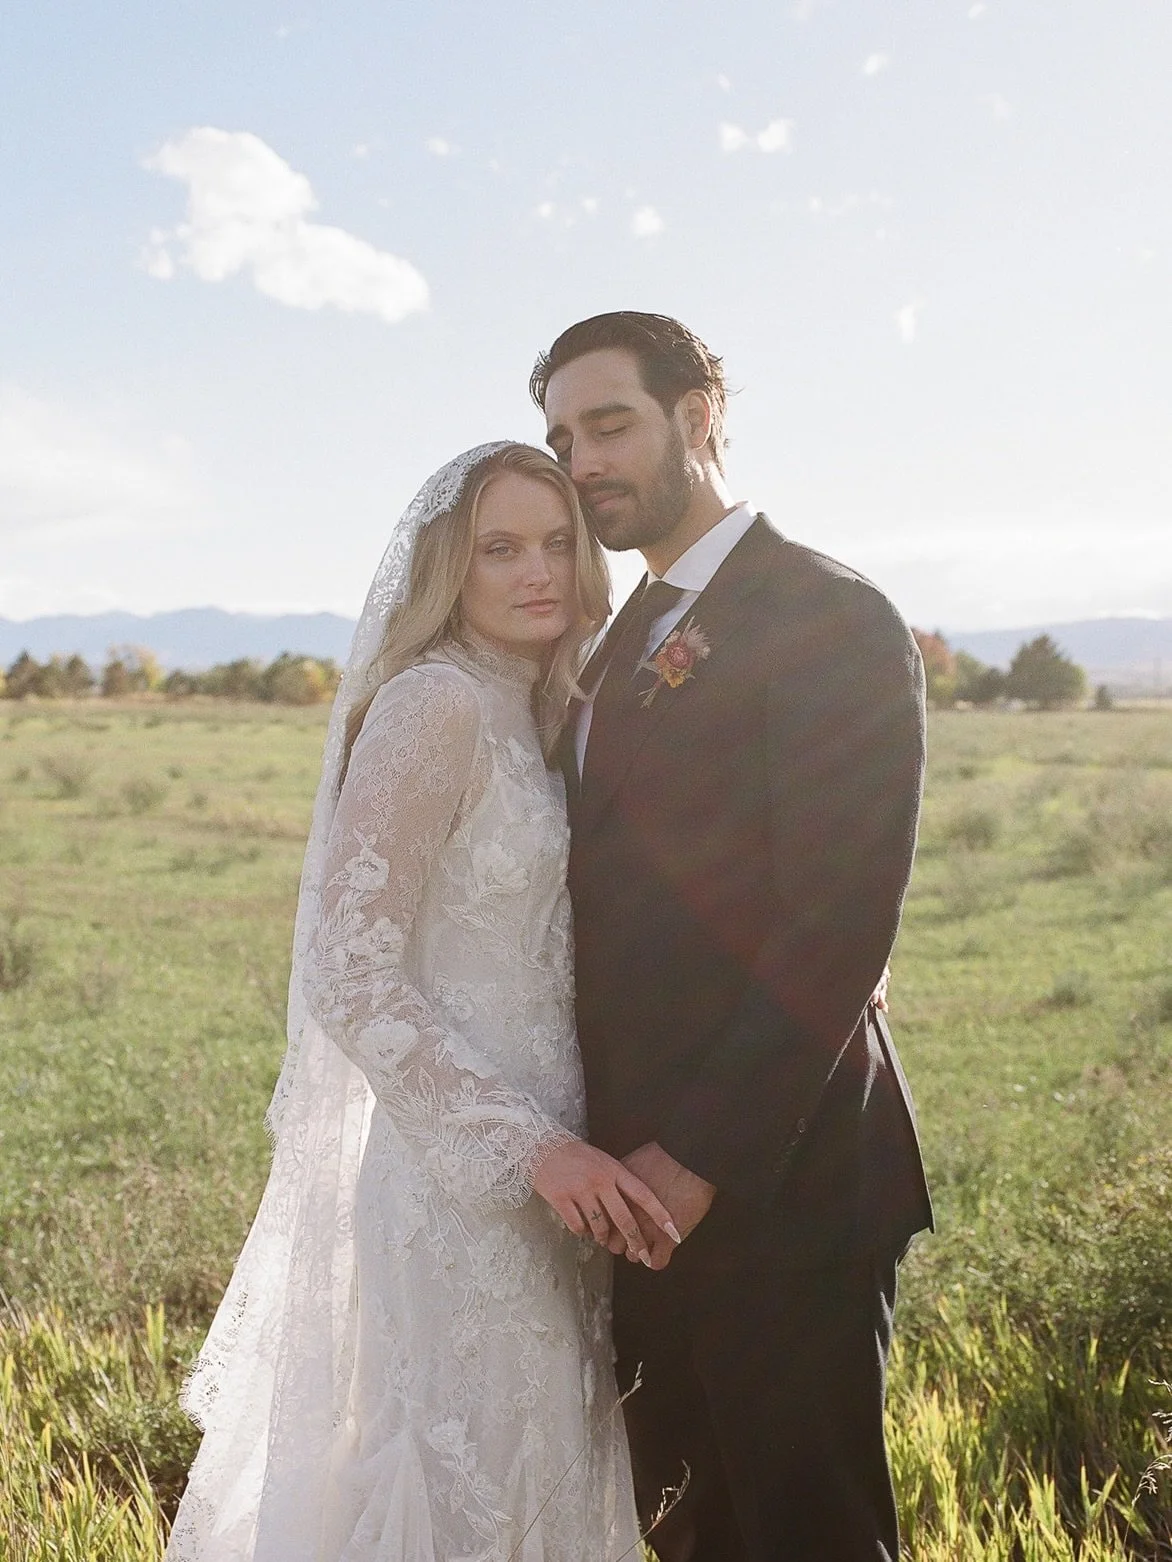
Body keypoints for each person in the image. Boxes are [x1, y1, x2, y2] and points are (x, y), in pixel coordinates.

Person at [165, 442, 674, 1562]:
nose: (536, 570)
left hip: (563, 1177)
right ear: (451, 564)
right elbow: (348, 972)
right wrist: (528, 1147)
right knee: (466, 1493)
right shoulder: (433, 703)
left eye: (556, 542)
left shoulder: (535, 706)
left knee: (540, 1477)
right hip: (465, 1185)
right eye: (500, 548)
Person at [530, 313, 934, 1561]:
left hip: (779, 1177)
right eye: (559, 435)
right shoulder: (618, 632)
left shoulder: (825, 613)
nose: (581, 458)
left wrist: (695, 1158)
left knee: (806, 1534)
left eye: (609, 423)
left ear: (697, 415)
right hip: (629, 1187)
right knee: (689, 1530)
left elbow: (836, 922)